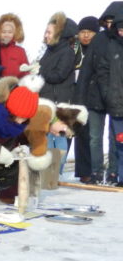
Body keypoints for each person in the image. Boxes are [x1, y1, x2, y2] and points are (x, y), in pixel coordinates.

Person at [76, 1, 123, 184]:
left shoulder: (118, 39)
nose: (111, 24)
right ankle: (96, 171)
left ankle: (113, 172)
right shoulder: (100, 39)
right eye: (108, 21)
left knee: (115, 138)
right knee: (95, 137)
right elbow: (87, 69)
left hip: (116, 96)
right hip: (96, 95)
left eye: (114, 21)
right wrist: (80, 97)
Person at [38, 12, 79, 173]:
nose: (46, 35)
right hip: (47, 99)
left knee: (59, 136)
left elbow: (59, 75)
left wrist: (40, 72)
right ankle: (48, 171)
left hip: (59, 101)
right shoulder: (49, 51)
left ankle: (55, 172)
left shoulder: (67, 52)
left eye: (49, 32)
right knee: (48, 137)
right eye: (46, 32)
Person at [95, 13, 123, 186]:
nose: (122, 33)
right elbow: (103, 71)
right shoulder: (111, 47)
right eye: (120, 29)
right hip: (117, 102)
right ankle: (121, 176)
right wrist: (107, 93)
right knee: (120, 141)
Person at [73, 15, 101, 181]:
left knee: (94, 135)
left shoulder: (100, 49)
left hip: (95, 96)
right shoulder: (74, 49)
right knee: (80, 134)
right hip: (76, 96)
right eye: (82, 31)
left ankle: (96, 171)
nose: (86, 35)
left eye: (90, 32)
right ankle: (84, 172)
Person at [0, 13, 29, 78]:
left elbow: (26, 72)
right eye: (3, 32)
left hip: (15, 85)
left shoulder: (20, 51)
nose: (6, 35)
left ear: (14, 33)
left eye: (10, 32)